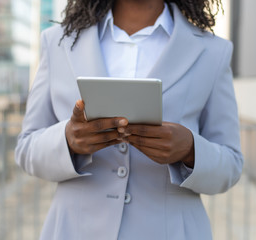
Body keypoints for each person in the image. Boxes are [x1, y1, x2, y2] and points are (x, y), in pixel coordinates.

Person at [15, 0, 243, 239]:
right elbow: (26, 148)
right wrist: (67, 140)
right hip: (75, 230)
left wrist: (190, 150)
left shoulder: (212, 52)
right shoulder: (58, 42)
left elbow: (231, 163)